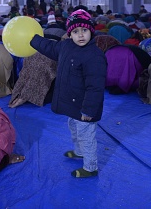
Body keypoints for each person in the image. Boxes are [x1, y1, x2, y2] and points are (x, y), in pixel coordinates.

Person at [29, 9, 106, 178]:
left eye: (84, 30)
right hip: (72, 103)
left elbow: (95, 87)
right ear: (70, 34)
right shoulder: (66, 46)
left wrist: (88, 110)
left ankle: (91, 166)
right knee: (74, 130)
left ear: (90, 32)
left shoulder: (94, 56)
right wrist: (33, 40)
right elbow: (49, 47)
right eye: (76, 31)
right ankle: (79, 152)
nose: (80, 35)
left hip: (85, 107)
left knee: (86, 136)